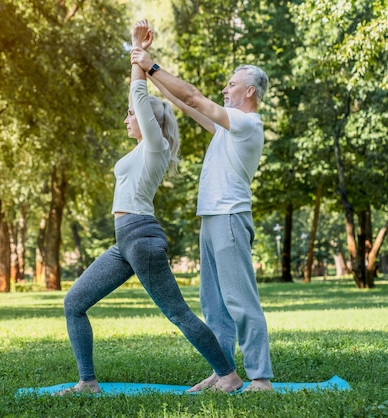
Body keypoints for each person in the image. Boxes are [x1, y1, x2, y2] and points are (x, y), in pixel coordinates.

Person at [55, 20, 244, 396]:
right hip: (124, 241)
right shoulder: (139, 152)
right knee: (74, 302)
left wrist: (136, 53)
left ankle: (228, 375)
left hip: (142, 238)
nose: (126, 119)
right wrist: (136, 52)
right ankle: (87, 382)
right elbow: (137, 100)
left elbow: (139, 94)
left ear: (148, 122)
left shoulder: (154, 146)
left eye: (130, 115)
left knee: (177, 313)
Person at [130, 19, 274, 392]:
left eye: (231, 84)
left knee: (240, 301)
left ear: (250, 91)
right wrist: (146, 62)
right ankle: (224, 373)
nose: (224, 88)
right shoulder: (227, 127)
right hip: (212, 218)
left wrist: (151, 65)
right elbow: (182, 101)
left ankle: (261, 378)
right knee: (214, 306)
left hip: (229, 216)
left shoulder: (247, 123)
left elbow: (194, 96)